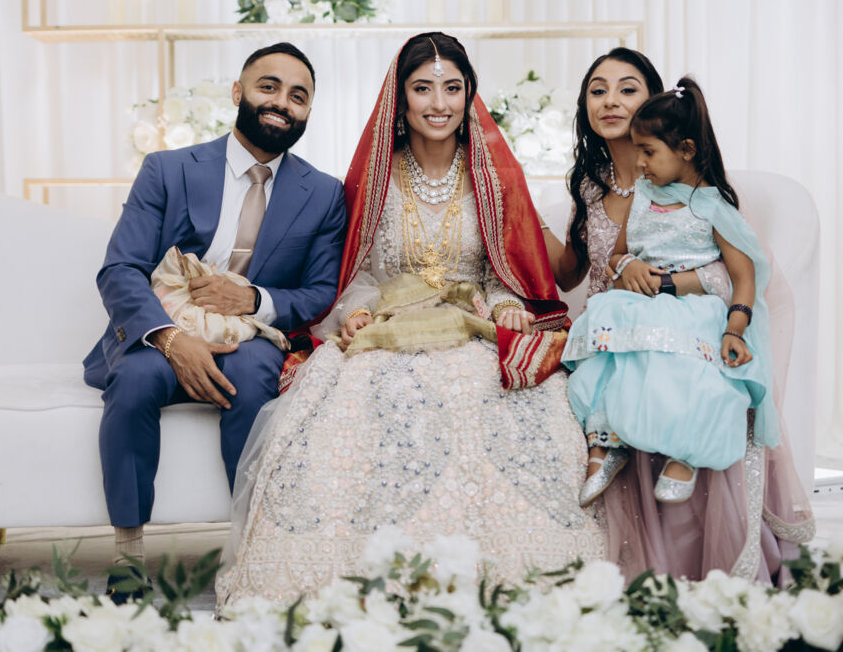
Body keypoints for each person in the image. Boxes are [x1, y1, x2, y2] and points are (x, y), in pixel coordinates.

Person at [216, 33, 606, 604]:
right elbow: (356, 271)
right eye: (423, 88)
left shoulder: (494, 178)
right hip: (386, 333)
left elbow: (502, 268)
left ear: (469, 95)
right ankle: (365, 575)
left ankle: (508, 574)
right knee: (368, 400)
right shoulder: (373, 177)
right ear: (400, 100)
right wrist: (357, 313)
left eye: (452, 88)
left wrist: (505, 305)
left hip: (473, 330)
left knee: (502, 401)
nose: (438, 103)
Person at [541, 52, 812, 583]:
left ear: (656, 103)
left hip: (686, 334)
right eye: (598, 90)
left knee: (683, 387)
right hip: (616, 334)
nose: (611, 100)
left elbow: (740, 275)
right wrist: (521, 216)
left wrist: (670, 286)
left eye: (627, 88)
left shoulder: (704, 193)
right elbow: (572, 273)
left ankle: (692, 557)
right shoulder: (589, 187)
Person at [82, 42, 347, 564]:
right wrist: (172, 340)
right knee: (134, 379)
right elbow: (121, 268)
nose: (282, 102)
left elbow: (321, 292)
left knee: (252, 375)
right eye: (268, 87)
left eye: (298, 96)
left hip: (249, 338)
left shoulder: (324, 193)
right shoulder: (167, 169)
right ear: (238, 92)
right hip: (161, 329)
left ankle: (254, 556)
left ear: (308, 112)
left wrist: (252, 298)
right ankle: (128, 558)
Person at [562, 77, 775, 502]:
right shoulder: (643, 194)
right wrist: (629, 264)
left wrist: (735, 329)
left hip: (691, 309)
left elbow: (744, 276)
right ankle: (605, 442)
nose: (640, 162)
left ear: (687, 150)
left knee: (686, 374)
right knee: (610, 360)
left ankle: (685, 453)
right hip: (639, 303)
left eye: (648, 151)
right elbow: (617, 254)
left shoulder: (712, 207)